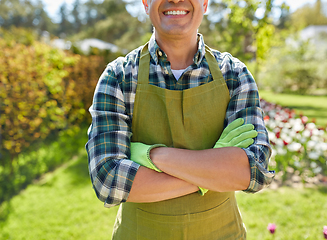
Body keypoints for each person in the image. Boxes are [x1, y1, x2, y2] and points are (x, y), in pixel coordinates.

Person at [85, 0, 274, 238]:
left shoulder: (234, 75)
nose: (176, 0)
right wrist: (214, 171)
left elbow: (254, 170)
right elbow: (109, 180)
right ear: (146, 3)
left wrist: (152, 156)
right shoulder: (119, 77)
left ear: (204, 3)